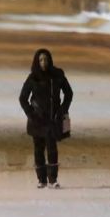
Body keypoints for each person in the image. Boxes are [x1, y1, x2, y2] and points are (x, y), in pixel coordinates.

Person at [19, 48, 73, 189]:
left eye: (46, 59)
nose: (44, 62)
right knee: (38, 149)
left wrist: (62, 109)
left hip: (52, 119)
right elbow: (23, 98)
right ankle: (41, 179)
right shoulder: (33, 78)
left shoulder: (57, 75)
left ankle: (53, 179)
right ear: (37, 62)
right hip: (37, 120)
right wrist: (31, 114)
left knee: (52, 148)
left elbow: (69, 93)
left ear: (50, 60)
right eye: (41, 60)